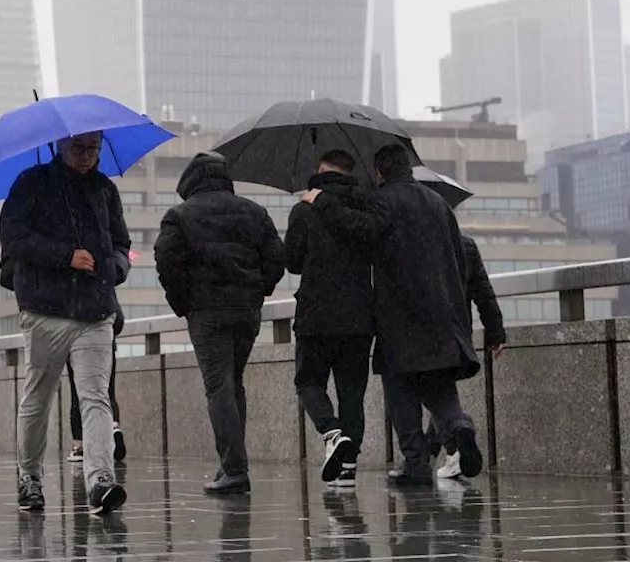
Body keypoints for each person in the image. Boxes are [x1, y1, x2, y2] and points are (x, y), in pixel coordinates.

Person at [301, 144, 484, 486]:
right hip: (444, 312)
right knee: (439, 387)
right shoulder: (438, 204)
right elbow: (459, 259)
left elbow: (363, 229)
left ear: (380, 172)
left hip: (401, 312)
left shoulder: (383, 200)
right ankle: (459, 427)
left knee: (400, 390)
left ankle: (415, 464)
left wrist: (322, 200)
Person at [0, 130, 131, 514]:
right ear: (59, 145)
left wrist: (115, 268)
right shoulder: (31, 184)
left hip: (95, 309)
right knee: (38, 397)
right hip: (45, 309)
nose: (87, 156)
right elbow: (14, 239)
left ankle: (100, 480)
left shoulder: (105, 189)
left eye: (93, 148)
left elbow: (121, 243)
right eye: (79, 148)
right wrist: (65, 255)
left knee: (95, 396)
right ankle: (30, 477)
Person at [154, 151, 286, 495]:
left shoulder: (180, 216)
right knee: (233, 383)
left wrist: (184, 303)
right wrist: (258, 290)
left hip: (207, 311)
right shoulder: (253, 212)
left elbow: (166, 261)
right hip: (246, 310)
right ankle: (232, 463)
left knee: (219, 386)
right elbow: (276, 257)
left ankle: (235, 468)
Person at [284, 149, 374, 487]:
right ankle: (348, 470)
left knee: (308, 382)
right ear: (350, 173)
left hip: (315, 314)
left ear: (320, 170)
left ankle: (331, 432)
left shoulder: (303, 209)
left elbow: (291, 261)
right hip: (358, 317)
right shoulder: (365, 208)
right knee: (352, 393)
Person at [431, 234, 506, 479]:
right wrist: (495, 333)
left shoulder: (412, 239)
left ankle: (452, 447)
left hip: (421, 330)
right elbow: (483, 292)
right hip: (458, 333)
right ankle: (444, 448)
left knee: (435, 392)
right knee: (442, 388)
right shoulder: (465, 244)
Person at [66, 303, 126, 464]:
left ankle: (79, 446)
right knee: (107, 392)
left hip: (76, 345)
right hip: (106, 345)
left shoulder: (70, 289)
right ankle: (113, 425)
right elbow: (118, 319)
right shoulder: (104, 287)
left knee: (77, 394)